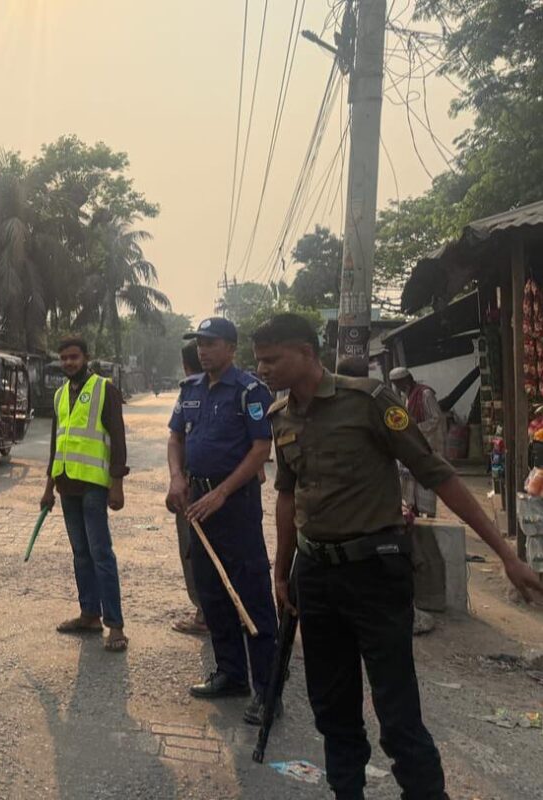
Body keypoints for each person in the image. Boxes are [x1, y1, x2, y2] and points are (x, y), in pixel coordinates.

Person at [254, 313, 543, 800]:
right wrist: (281, 571)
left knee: (396, 708)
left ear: (306, 353)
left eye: (271, 359)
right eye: (259, 360)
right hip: (316, 574)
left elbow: (438, 475)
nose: (262, 369)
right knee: (331, 705)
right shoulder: (280, 415)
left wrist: (505, 554)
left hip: (375, 570)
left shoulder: (367, 401)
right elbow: (288, 496)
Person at [166, 317, 279, 723]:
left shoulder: (250, 390)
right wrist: (178, 478)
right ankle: (231, 674)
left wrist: (223, 491)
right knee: (212, 592)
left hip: (234, 503)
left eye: (211, 343)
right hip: (197, 499)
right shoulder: (191, 390)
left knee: (251, 593)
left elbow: (260, 448)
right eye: (199, 343)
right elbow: (176, 438)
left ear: (231, 347)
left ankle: (268, 690)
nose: (203, 350)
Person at [39, 335, 131, 653]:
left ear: (86, 357)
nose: (68, 363)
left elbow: (118, 439)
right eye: (63, 358)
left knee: (101, 554)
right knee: (81, 554)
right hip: (66, 486)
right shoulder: (61, 394)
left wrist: (116, 484)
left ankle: (115, 626)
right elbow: (57, 443)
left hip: (94, 485)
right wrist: (49, 488)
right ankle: (89, 614)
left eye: (73, 357)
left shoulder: (105, 389)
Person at [171, 341, 208, 636]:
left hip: (198, 488)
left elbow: (177, 441)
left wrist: (177, 480)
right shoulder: (241, 390)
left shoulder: (189, 393)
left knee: (194, 550)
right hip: (231, 490)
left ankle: (204, 613)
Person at [390, 366, 446, 517]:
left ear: (407, 380)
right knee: (409, 485)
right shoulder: (406, 396)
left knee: (426, 486)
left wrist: (415, 428)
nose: (399, 387)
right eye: (396, 384)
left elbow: (436, 419)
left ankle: (429, 515)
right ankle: (413, 512)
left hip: (428, 445)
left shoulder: (425, 394)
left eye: (400, 383)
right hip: (414, 446)